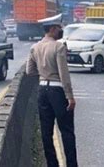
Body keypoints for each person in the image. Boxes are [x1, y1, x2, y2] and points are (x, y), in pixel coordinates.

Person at [26, 14, 78, 167]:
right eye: (58, 28)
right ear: (53, 29)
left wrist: (44, 74)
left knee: (46, 131)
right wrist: (70, 96)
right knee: (67, 131)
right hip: (57, 90)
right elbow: (64, 73)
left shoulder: (34, 47)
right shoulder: (58, 46)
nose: (60, 31)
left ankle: (52, 164)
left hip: (42, 90)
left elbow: (29, 71)